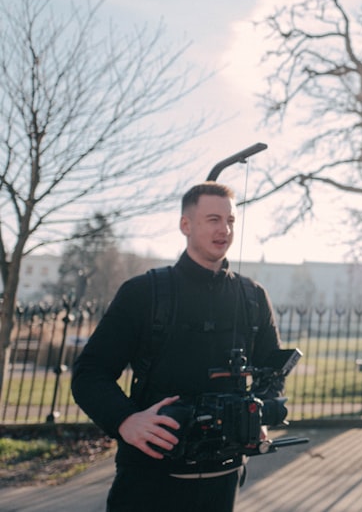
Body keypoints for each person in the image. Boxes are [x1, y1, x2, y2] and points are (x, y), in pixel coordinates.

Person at [72, 182, 283, 512]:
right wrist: (126, 420)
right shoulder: (144, 293)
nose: (224, 229)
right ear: (186, 225)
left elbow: (273, 372)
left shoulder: (253, 297)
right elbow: (89, 374)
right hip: (148, 481)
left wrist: (260, 415)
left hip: (223, 480)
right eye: (213, 219)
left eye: (230, 220)